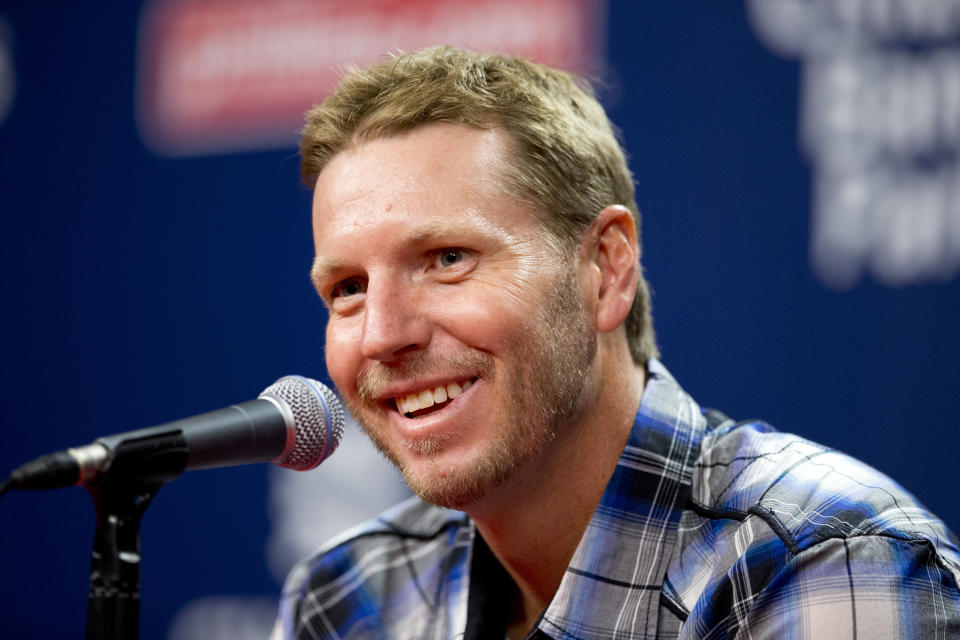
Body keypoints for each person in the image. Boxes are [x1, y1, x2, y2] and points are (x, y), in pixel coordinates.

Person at [271, 46, 960, 639]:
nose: (384, 334)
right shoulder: (346, 602)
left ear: (605, 268)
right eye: (347, 289)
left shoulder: (822, 564)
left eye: (448, 258)